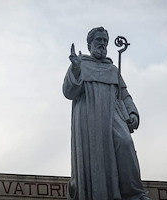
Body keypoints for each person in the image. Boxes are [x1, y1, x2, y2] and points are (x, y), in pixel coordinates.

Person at [63, 27, 151, 200]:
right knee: (93, 157)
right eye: (98, 40)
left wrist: (132, 112)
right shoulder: (81, 64)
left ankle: (134, 194)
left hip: (113, 113)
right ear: (89, 44)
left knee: (125, 143)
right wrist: (75, 69)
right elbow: (68, 92)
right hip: (89, 117)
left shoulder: (112, 69)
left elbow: (124, 94)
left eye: (105, 41)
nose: (102, 44)